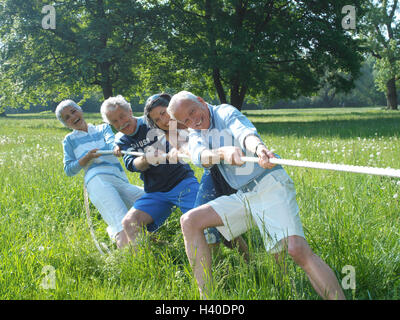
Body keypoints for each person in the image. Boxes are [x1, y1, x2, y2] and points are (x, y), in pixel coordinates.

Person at [167, 91, 346, 300]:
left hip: (270, 184)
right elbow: (200, 157)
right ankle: (207, 298)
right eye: (186, 121)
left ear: (201, 101)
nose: (193, 121)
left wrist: (260, 149)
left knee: (296, 250)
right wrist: (222, 153)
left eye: (193, 112)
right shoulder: (196, 134)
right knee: (190, 220)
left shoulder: (224, 112)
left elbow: (243, 132)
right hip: (244, 196)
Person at [143, 93, 248, 258]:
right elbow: (185, 148)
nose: (163, 120)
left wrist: (183, 150)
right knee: (213, 221)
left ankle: (233, 262)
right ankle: (225, 265)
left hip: (234, 168)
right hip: (213, 171)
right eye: (157, 120)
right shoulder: (169, 132)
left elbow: (192, 145)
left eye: (163, 113)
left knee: (212, 220)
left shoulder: (192, 120)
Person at [100, 95, 199, 249]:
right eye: (114, 121)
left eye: (122, 116)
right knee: (129, 222)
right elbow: (133, 164)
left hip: (182, 182)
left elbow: (177, 131)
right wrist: (146, 159)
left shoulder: (152, 122)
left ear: (130, 111)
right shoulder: (121, 140)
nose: (121, 123)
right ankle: (146, 262)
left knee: (203, 220)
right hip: (155, 192)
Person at [55, 99, 144, 249]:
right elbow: (68, 169)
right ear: (65, 124)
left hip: (119, 179)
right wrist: (86, 158)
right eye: (67, 118)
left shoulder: (103, 128)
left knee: (149, 200)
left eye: (73, 111)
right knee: (121, 219)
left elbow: (111, 141)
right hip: (97, 181)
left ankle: (115, 232)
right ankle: (132, 259)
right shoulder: (69, 140)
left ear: (80, 110)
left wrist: (116, 146)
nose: (72, 117)